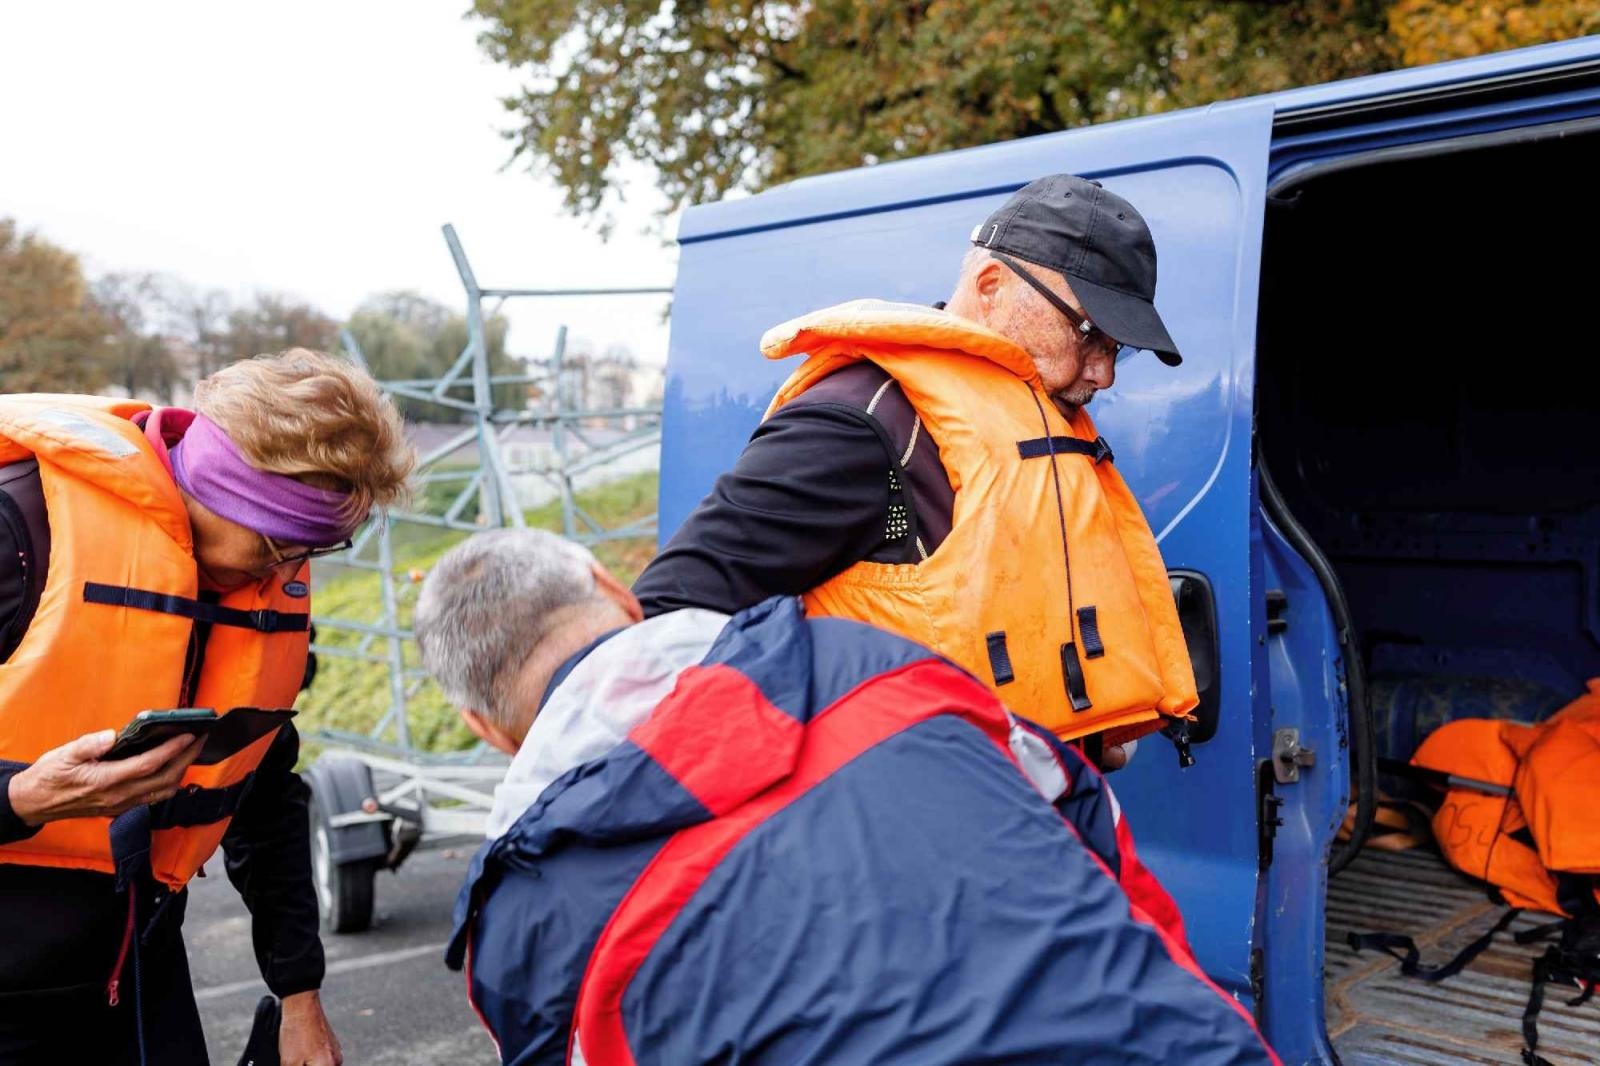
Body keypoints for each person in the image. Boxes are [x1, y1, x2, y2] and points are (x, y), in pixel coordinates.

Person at [416, 529, 1279, 1065]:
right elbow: (1103, 847)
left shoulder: (519, 924)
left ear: (485, 727)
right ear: (614, 592)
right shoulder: (878, 662)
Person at [634, 174, 1200, 769]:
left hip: (1028, 822)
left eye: (1117, 349)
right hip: (902, 835)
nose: (1104, 374)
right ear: (991, 286)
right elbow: (666, 617)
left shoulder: (1037, 424)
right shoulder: (862, 424)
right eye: (1091, 335)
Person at [0, 349, 414, 1065]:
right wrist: (21, 797)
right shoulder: (18, 534)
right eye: (278, 543)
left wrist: (299, 993)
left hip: (137, 980)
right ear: (222, 485)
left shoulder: (256, 581)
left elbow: (262, 792)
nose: (284, 573)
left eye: (314, 549)